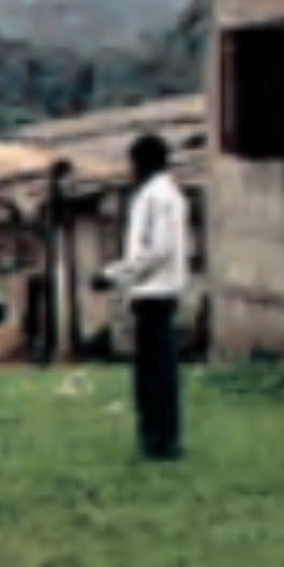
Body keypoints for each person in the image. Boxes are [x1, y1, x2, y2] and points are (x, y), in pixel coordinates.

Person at [95, 132, 191, 462]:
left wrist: (115, 274)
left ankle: (161, 439)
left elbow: (159, 250)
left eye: (133, 162)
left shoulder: (160, 196)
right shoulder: (155, 195)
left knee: (156, 374)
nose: (129, 169)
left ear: (145, 162)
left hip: (157, 292)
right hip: (148, 291)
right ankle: (154, 436)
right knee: (149, 372)